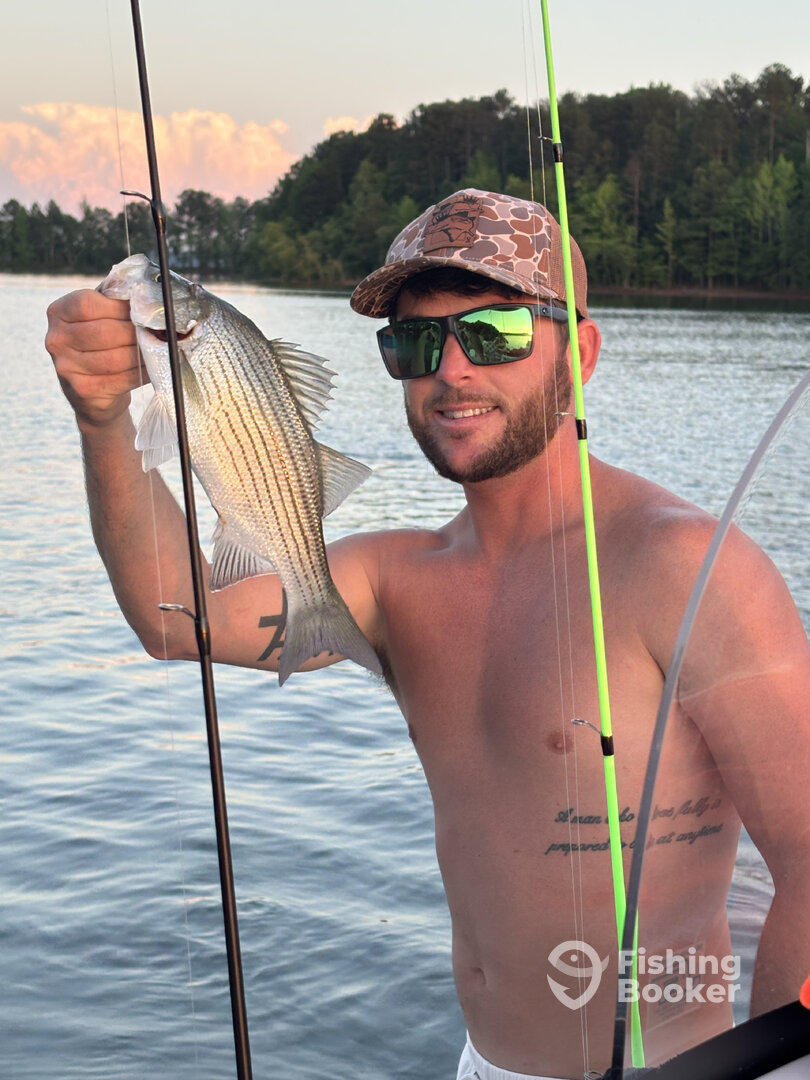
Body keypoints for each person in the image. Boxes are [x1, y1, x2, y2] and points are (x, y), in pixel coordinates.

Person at [47, 189, 810, 1080]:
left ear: (582, 352)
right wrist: (101, 415)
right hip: (477, 1063)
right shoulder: (394, 580)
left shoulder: (683, 565)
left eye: (495, 333)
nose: (451, 369)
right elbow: (173, 614)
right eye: (414, 343)